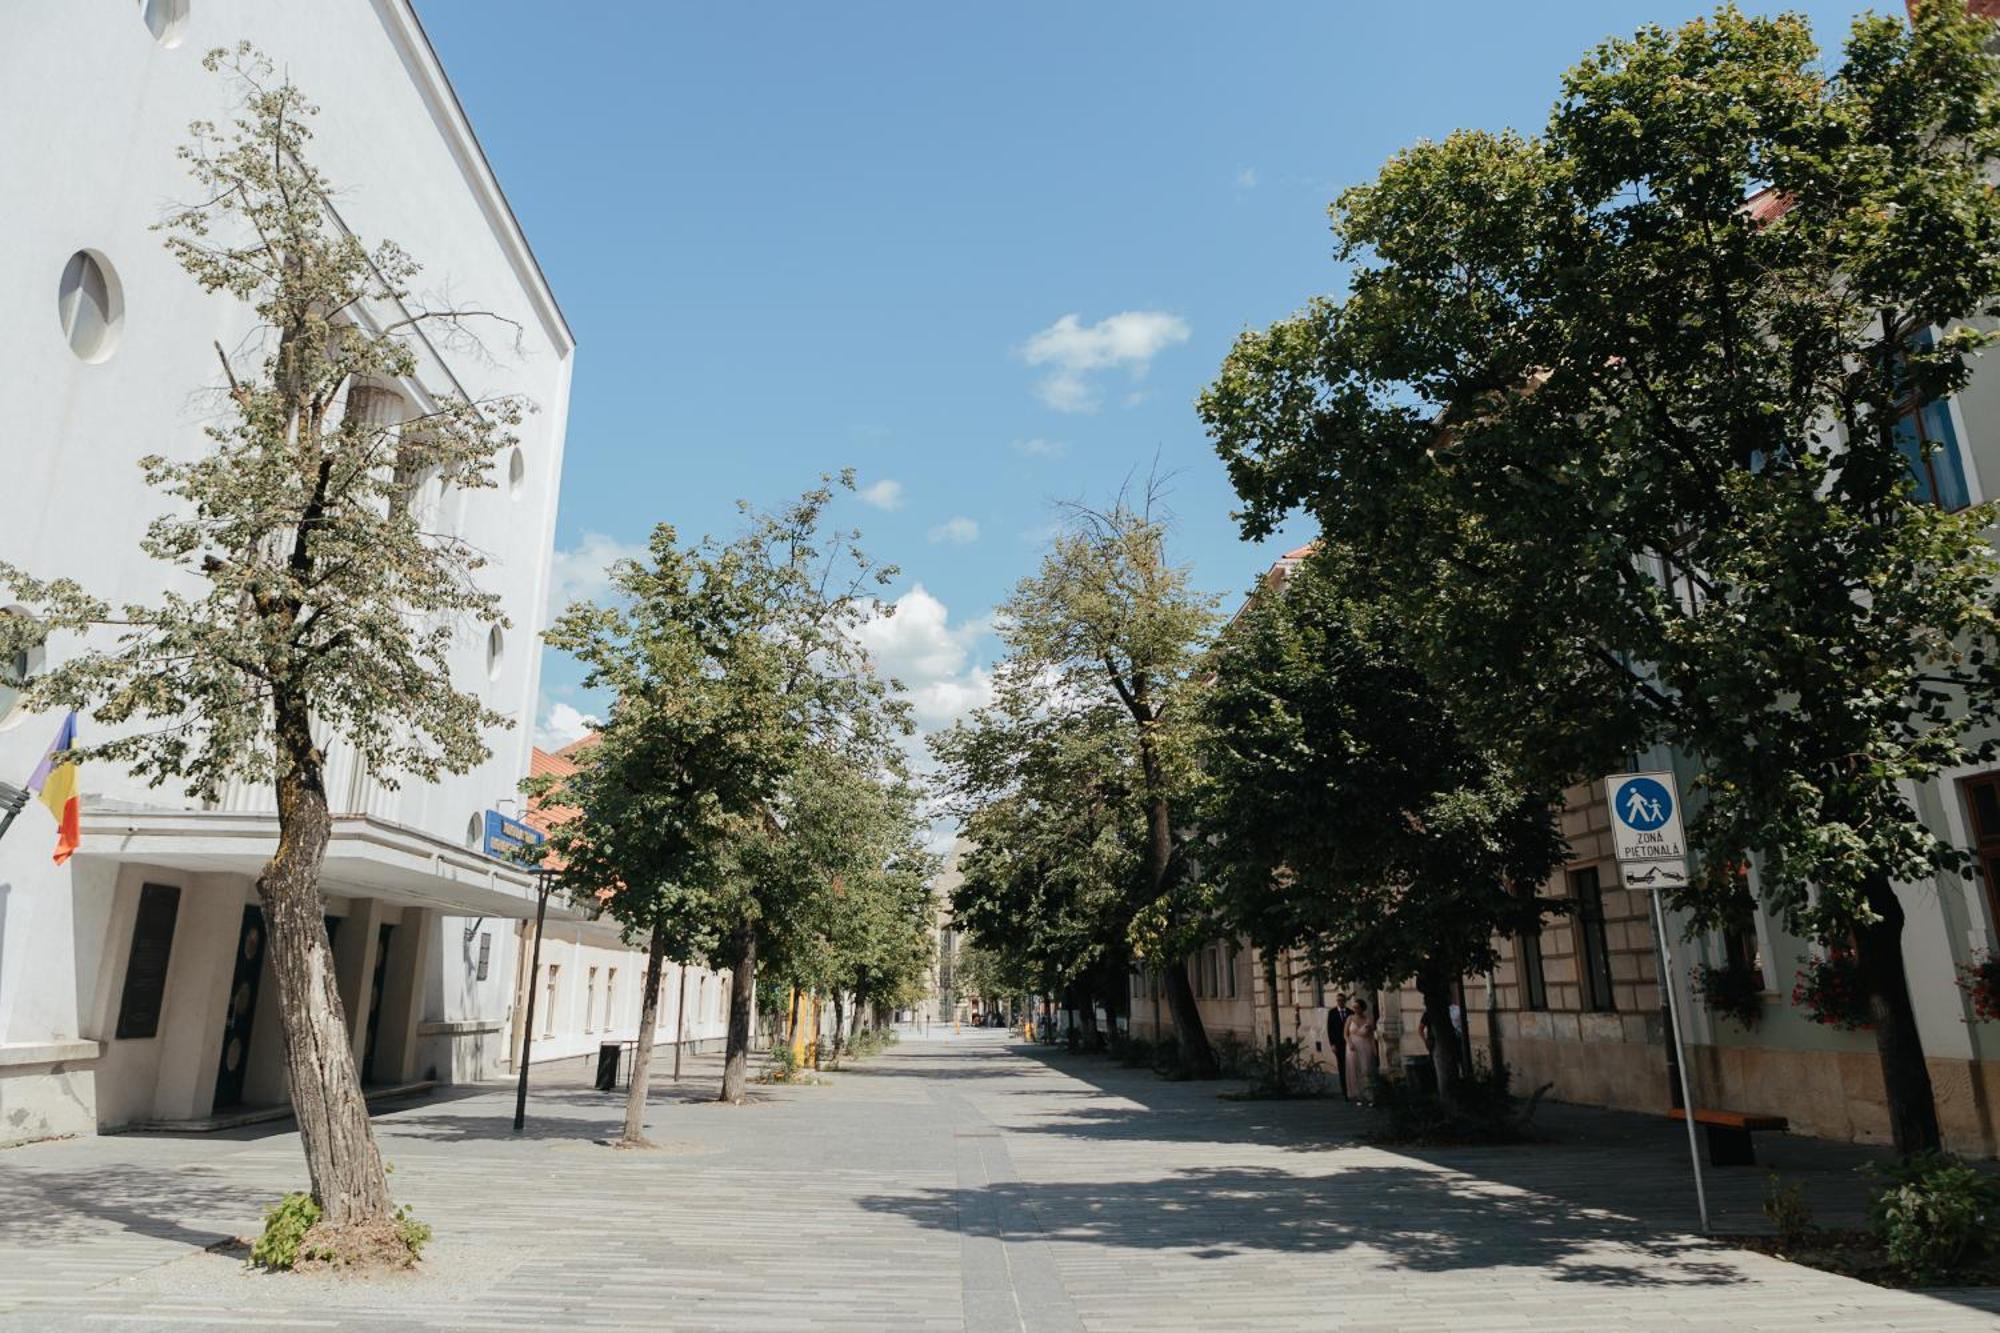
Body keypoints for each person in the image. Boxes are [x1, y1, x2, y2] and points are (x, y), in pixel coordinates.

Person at [1344, 999, 1379, 1105]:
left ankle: (1369, 1095)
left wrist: (1375, 1050)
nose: (1355, 1009)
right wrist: (1349, 1042)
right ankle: (1358, 1095)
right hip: (1353, 1047)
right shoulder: (1350, 1018)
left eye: (1357, 1007)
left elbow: (1371, 1036)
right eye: (1354, 1007)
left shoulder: (1368, 1020)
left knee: (1366, 1069)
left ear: (1362, 1008)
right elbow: (1345, 1033)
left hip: (1365, 1046)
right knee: (1354, 1070)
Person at [1327, 993, 1351, 1099]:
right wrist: (1332, 1044)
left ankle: (1351, 1088)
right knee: (1342, 1067)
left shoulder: (1350, 1012)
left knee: (1350, 1066)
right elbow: (1330, 1030)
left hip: (1349, 1043)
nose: (1340, 1002)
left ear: (1345, 1001)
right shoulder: (1332, 1013)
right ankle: (1344, 1090)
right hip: (1338, 1044)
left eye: (1342, 1000)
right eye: (1338, 1000)